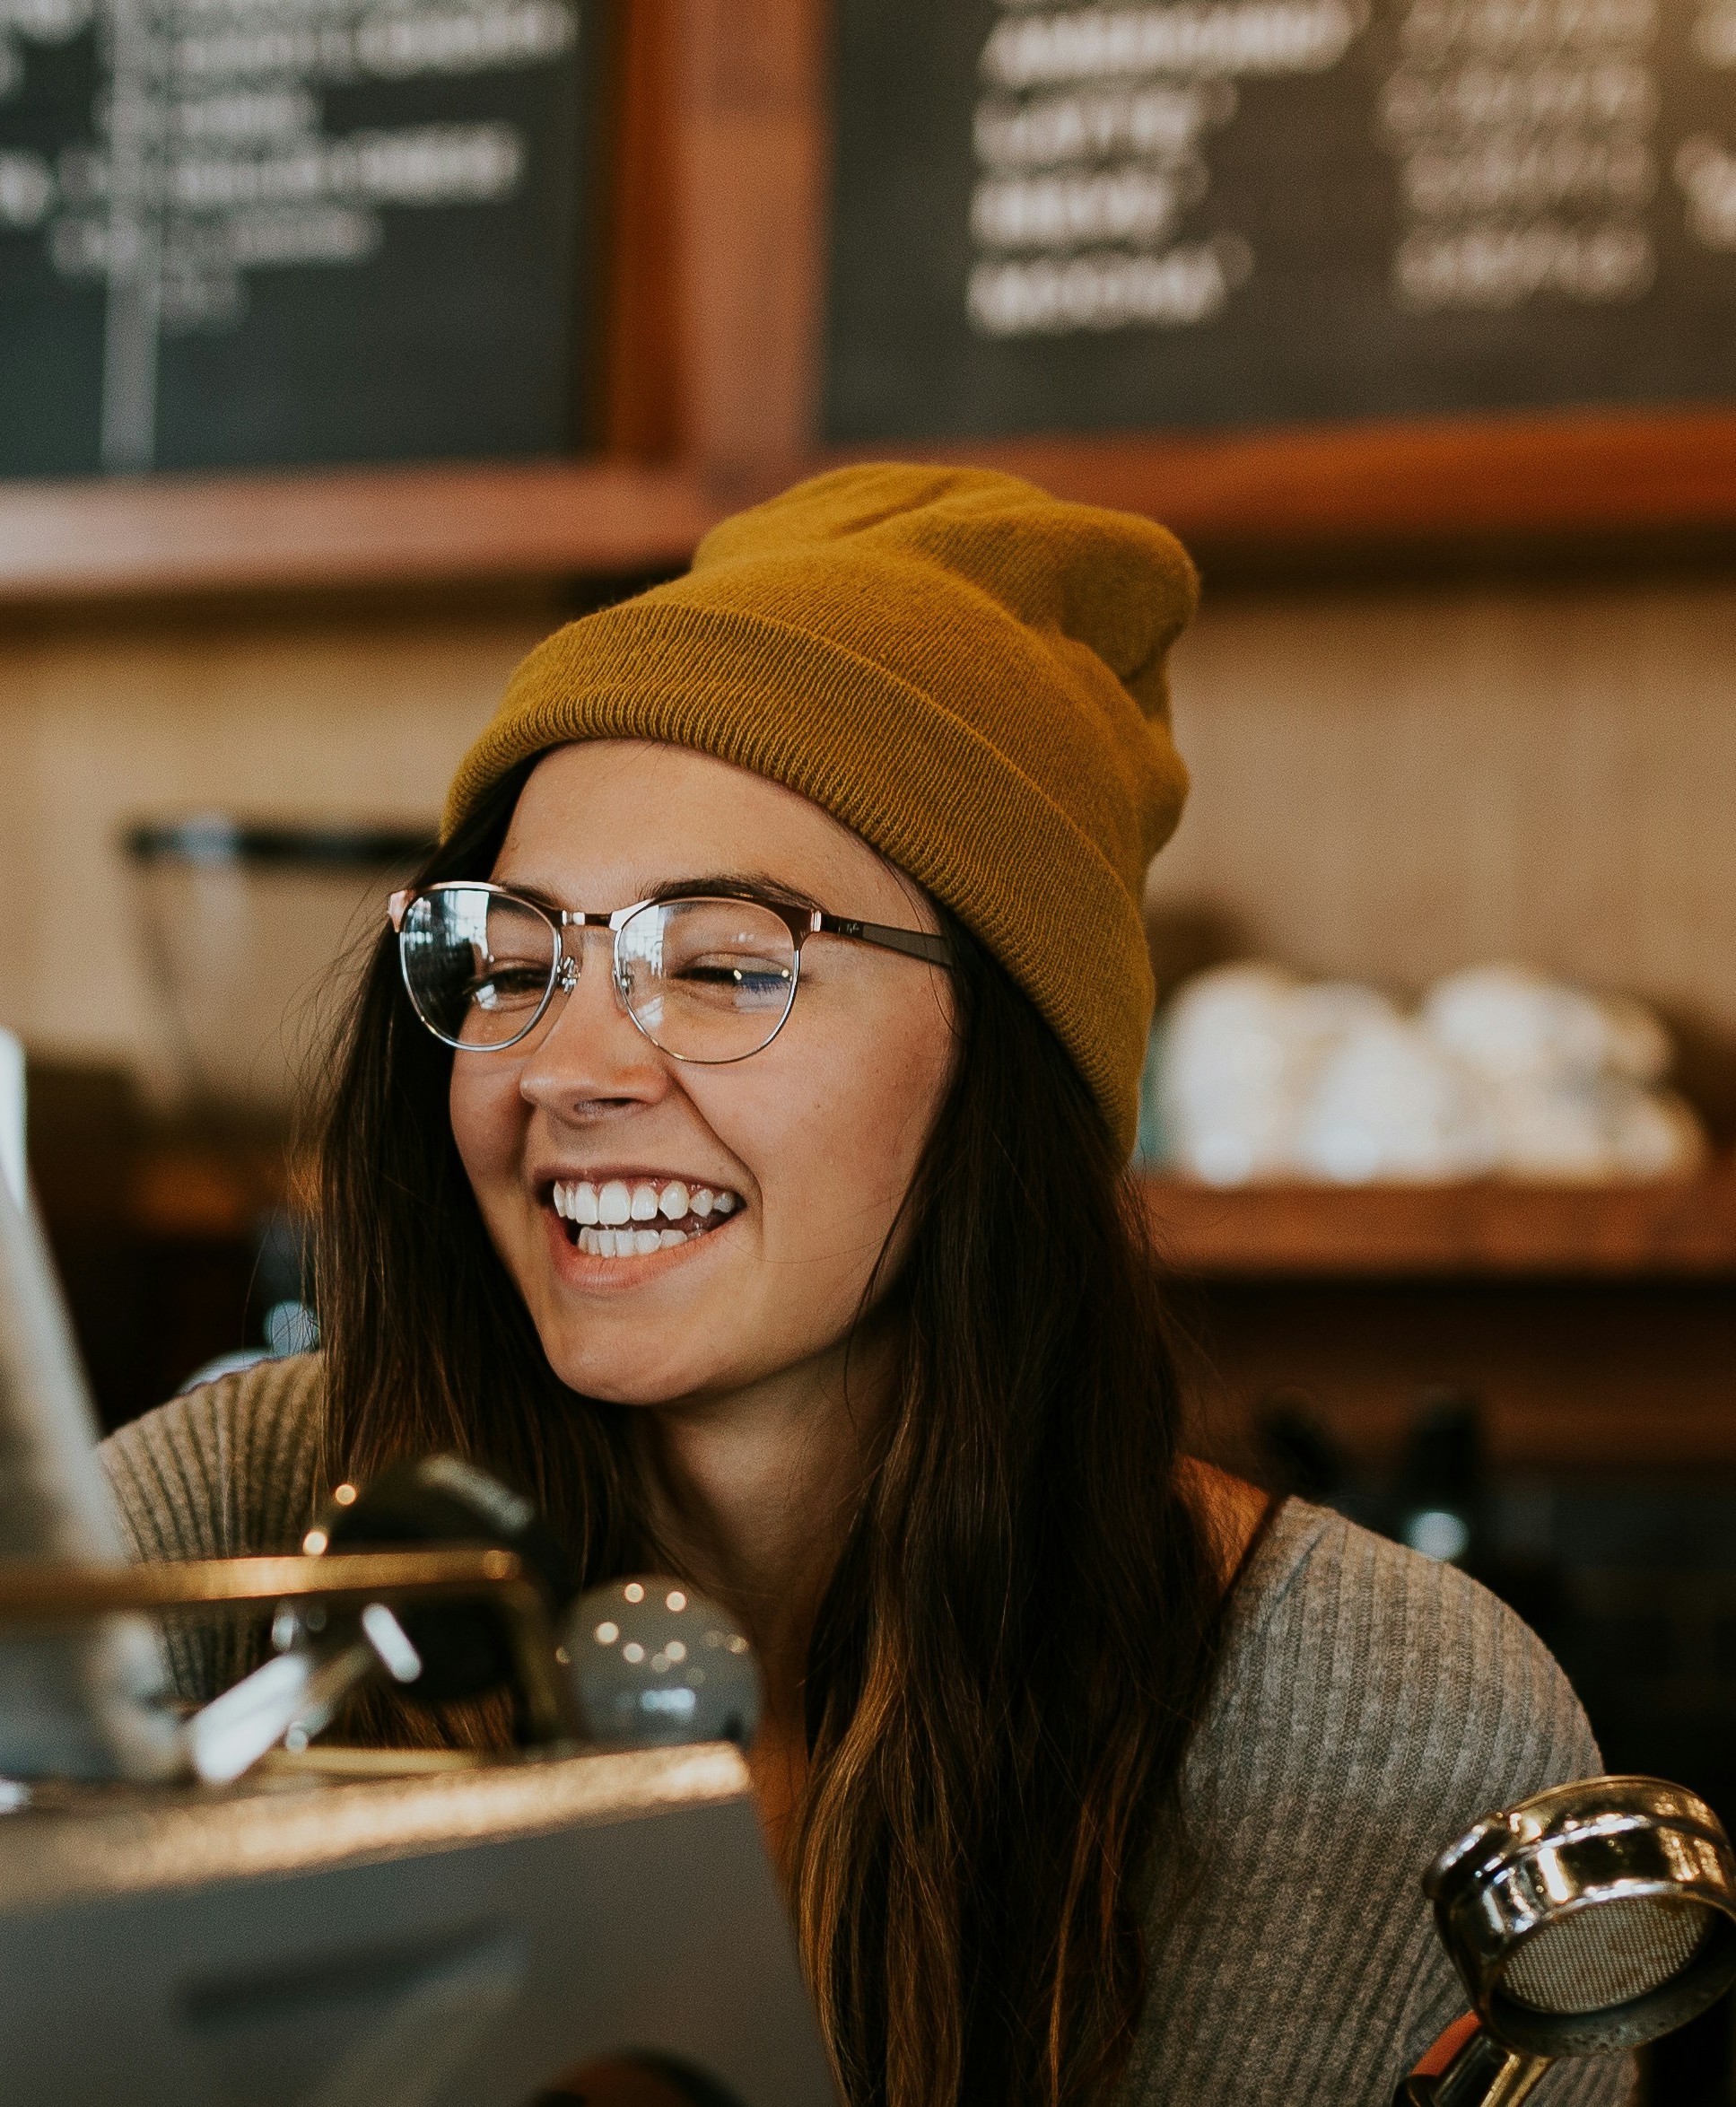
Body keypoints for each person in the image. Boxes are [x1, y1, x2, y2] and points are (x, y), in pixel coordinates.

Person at [101, 467, 1623, 2107]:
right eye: (520, 959)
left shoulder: (1385, 1724)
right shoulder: (211, 1542)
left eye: (728, 964)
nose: (569, 1068)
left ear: (1006, 1063)